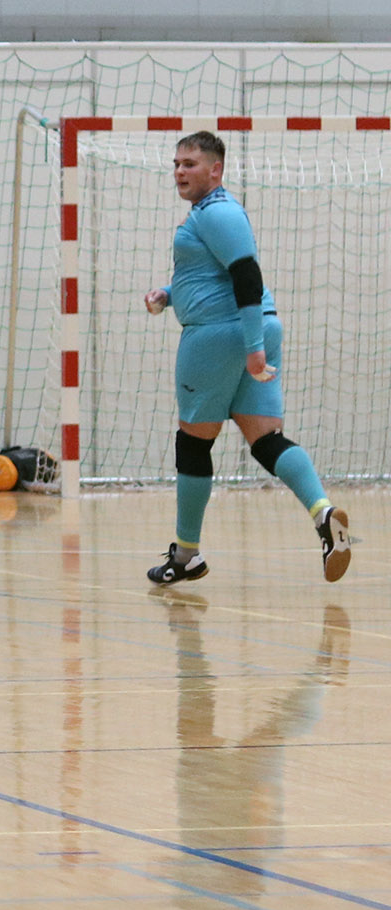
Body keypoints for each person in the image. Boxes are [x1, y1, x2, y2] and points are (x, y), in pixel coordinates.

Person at [142, 131, 349, 585]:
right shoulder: (211, 212)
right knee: (265, 439)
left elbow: (247, 276)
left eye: (190, 164)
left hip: (220, 336)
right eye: (176, 164)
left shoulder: (217, 212)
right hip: (253, 328)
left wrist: (252, 349)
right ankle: (323, 514)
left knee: (194, 443)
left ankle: (186, 555)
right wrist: (169, 294)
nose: (180, 171)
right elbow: (214, 275)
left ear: (215, 169)